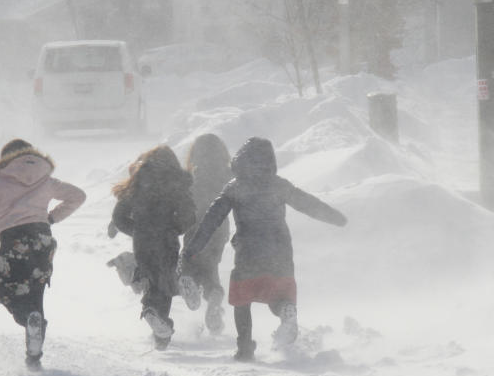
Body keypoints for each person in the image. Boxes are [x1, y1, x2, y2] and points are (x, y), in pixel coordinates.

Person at [180, 137, 347, 361]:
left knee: (242, 301)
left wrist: (193, 248)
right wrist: (337, 218)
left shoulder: (234, 187)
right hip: (281, 252)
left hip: (249, 253)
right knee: (278, 295)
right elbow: (307, 203)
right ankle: (286, 311)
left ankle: (245, 348)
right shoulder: (280, 185)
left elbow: (212, 219)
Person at [0, 138, 86, 369]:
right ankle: (34, 354)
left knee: (4, 288)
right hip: (43, 240)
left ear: (5, 158)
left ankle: (27, 319)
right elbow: (78, 196)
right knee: (36, 291)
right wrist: (51, 217)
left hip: (12, 239)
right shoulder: (45, 178)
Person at [111, 145, 196, 349]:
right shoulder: (177, 182)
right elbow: (188, 215)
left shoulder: (139, 180)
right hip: (167, 240)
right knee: (164, 282)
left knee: (150, 278)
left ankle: (153, 315)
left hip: (143, 241)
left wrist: (138, 230)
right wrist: (174, 229)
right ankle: (159, 325)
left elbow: (119, 217)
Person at [180, 133, 233, 335]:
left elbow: (181, 202)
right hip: (219, 230)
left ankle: (189, 280)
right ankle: (214, 296)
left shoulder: (192, 177)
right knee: (210, 267)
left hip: (194, 228)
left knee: (188, 263)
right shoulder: (228, 175)